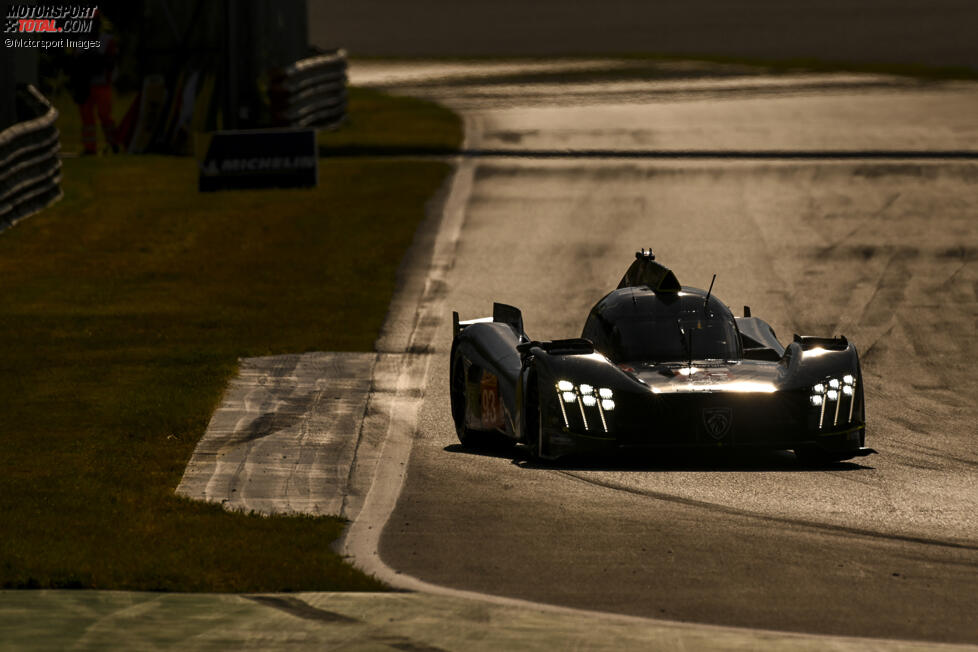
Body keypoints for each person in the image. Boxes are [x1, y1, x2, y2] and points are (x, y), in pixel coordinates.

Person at [68, 14, 119, 155]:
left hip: (102, 84)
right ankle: (90, 148)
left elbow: (111, 61)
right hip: (85, 85)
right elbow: (75, 64)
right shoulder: (81, 41)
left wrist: (96, 62)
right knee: (87, 118)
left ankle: (113, 144)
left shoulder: (107, 40)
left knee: (105, 115)